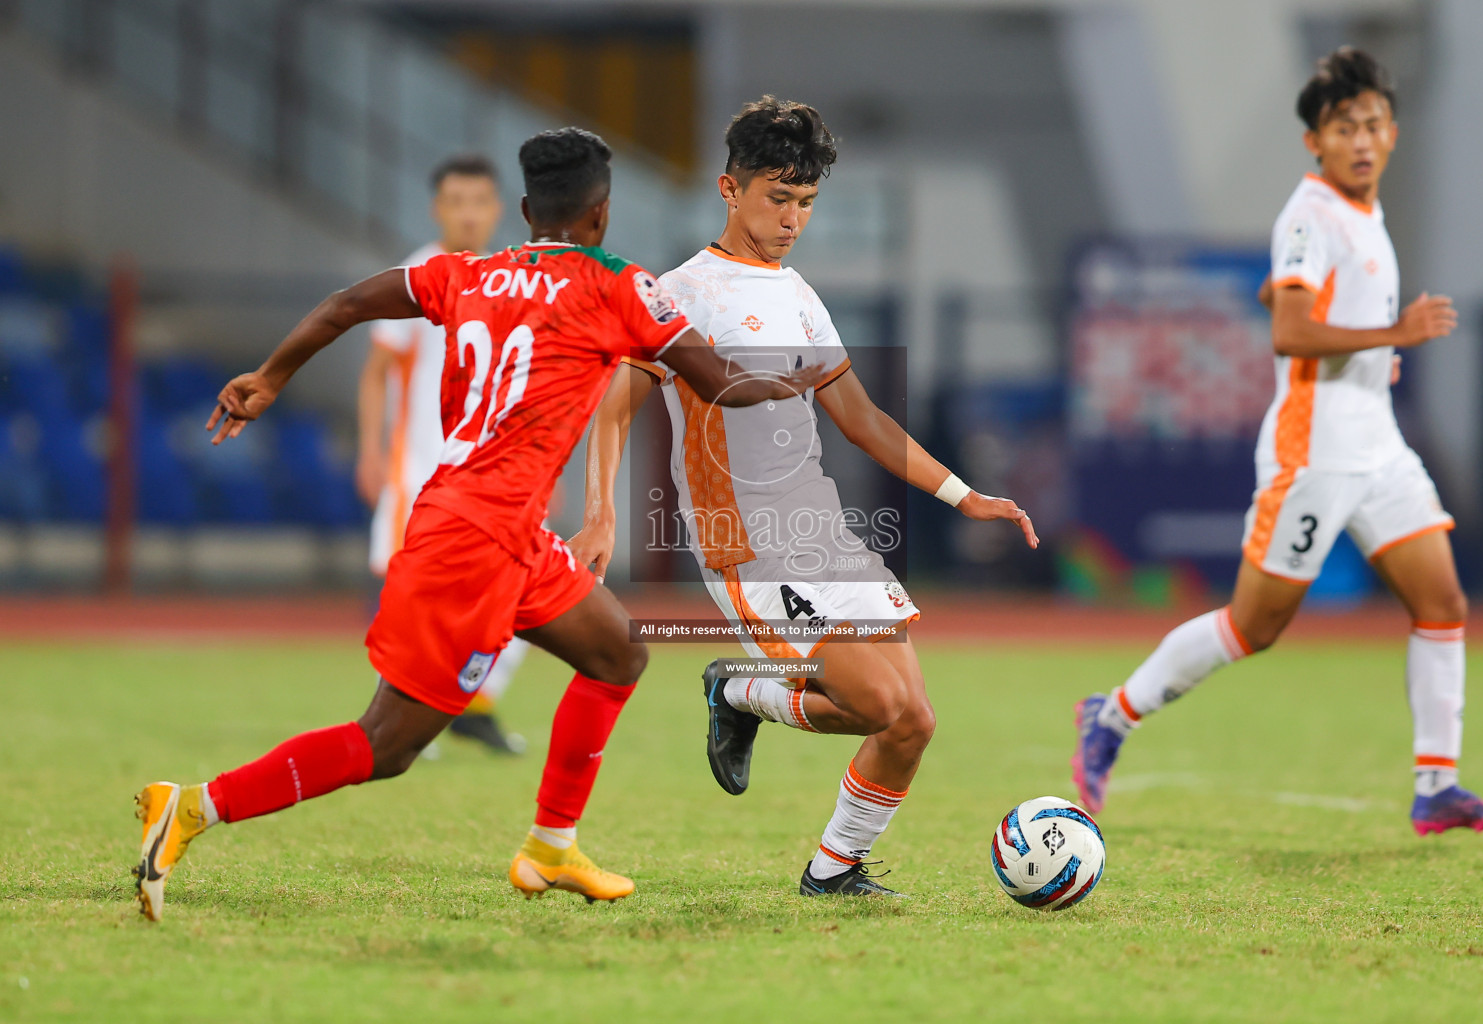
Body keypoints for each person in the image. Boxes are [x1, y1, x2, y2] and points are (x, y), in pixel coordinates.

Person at [132, 127, 824, 922]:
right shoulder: (619, 284)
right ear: (600, 214)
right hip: (476, 541)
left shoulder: (465, 272)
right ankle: (190, 808)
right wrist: (803, 375)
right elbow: (721, 382)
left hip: (495, 523)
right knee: (388, 745)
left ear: (527, 209)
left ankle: (549, 849)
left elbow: (346, 305)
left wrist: (269, 376)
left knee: (615, 653)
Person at [570, 97, 1038, 897]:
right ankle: (740, 689)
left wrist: (965, 496)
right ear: (729, 188)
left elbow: (859, 417)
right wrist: (602, 513)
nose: (793, 219)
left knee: (912, 722)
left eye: (807, 203)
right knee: (871, 702)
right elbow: (613, 407)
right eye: (777, 199)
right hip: (746, 542)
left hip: (822, 530)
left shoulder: (798, 294)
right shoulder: (678, 292)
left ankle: (834, 869)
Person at [1071, 48, 1483, 837]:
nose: (1361, 138)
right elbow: (1288, 330)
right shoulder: (1309, 215)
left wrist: (1377, 356)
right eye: (1342, 126)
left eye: (1374, 123)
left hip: (1378, 448)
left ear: (1393, 133)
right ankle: (1111, 715)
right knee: (1256, 626)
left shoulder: (1367, 214)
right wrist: (1396, 333)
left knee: (1442, 602)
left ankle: (1437, 785)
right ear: (1314, 140)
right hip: (1312, 452)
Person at [356, 153, 526, 755]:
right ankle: (401, 719)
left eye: (480, 201)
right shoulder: (417, 272)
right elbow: (377, 371)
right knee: (415, 595)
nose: (469, 213)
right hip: (421, 465)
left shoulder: (512, 276)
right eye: (456, 201)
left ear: (498, 208)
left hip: (491, 467)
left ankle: (475, 705)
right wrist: (371, 450)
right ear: (438, 208)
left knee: (519, 584)